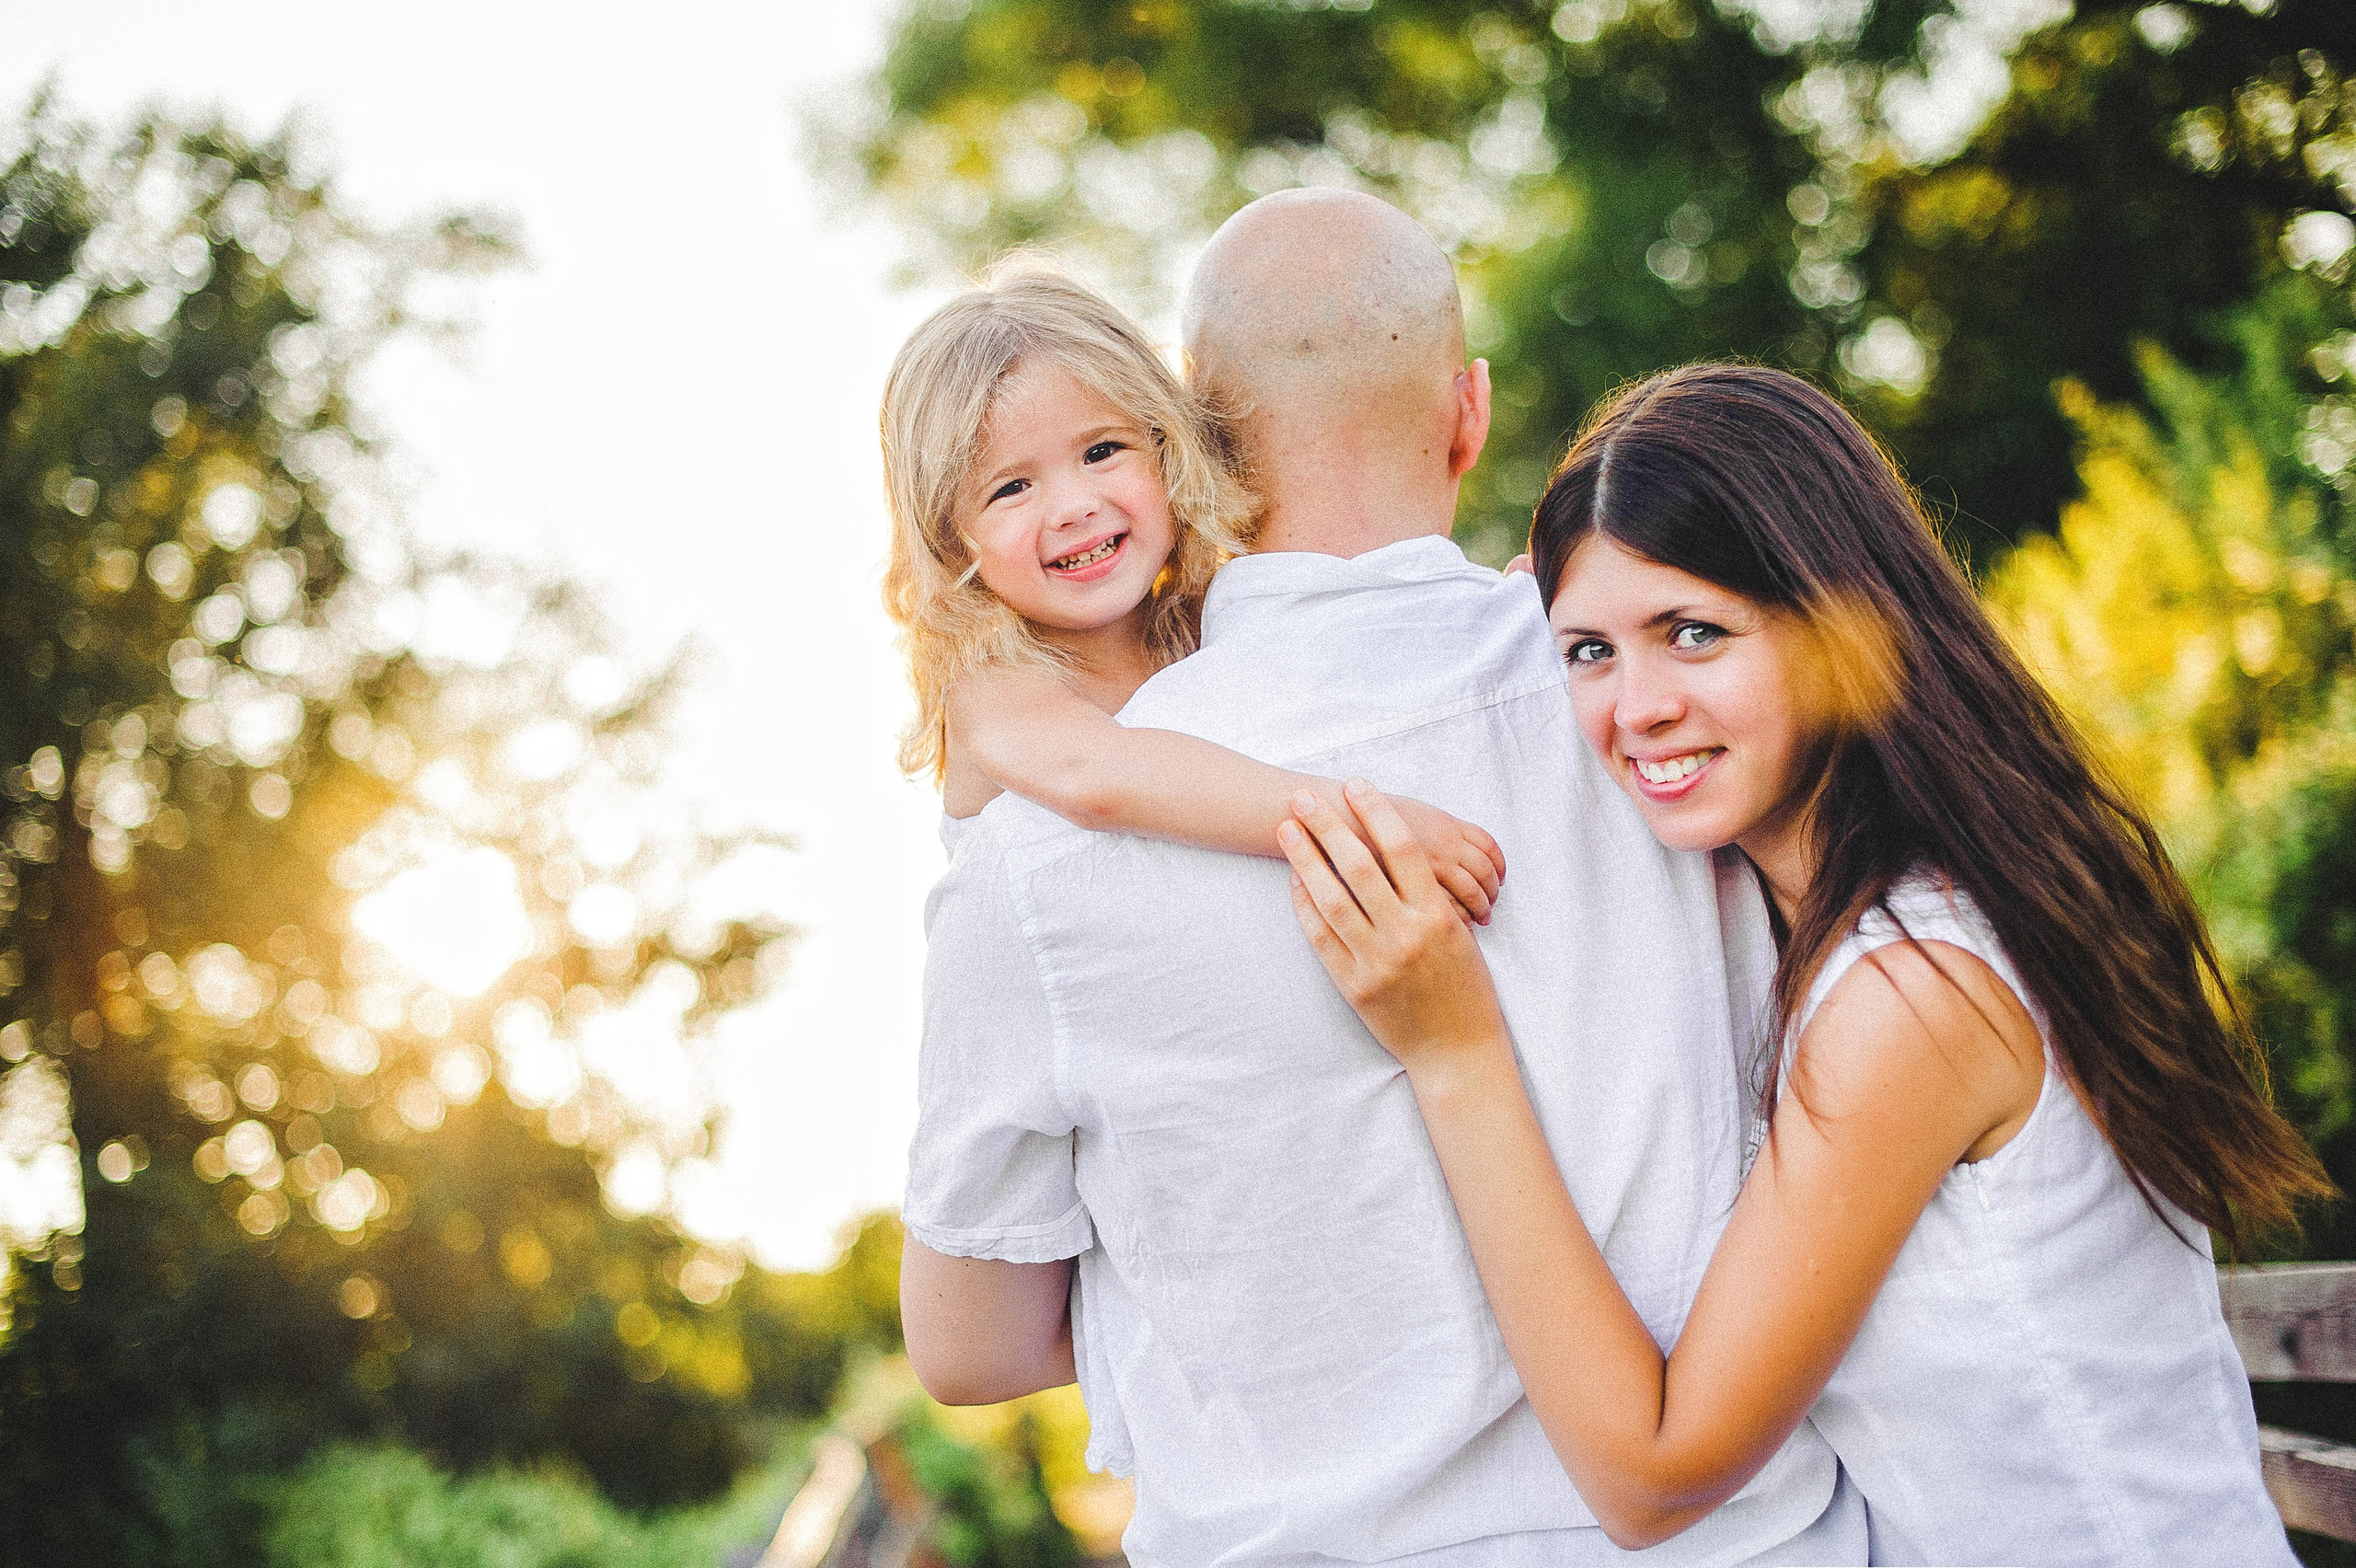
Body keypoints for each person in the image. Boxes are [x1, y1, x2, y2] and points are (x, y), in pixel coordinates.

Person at [896, 195, 1863, 1565]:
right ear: (1468, 414)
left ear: (1191, 440)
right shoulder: (1673, 703)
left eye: (1098, 452)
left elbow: (972, 1350)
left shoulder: (1034, 853)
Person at [1278, 362, 2329, 1566]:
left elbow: (1652, 1477)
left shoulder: (1914, 992)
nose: (1637, 706)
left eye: (1695, 634)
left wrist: (1454, 1052)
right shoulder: (1887, 908)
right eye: (1589, 653)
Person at [880, 261, 1509, 917]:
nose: (1073, 506)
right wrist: (1366, 826)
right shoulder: (990, 682)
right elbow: (1099, 777)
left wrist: (1503, 608)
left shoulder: (1201, 619)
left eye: (1102, 451)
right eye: (1011, 488)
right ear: (950, 539)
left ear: (1168, 447)